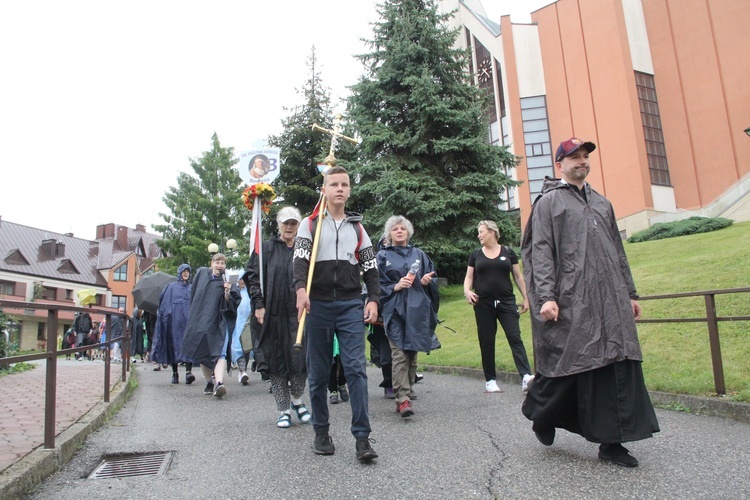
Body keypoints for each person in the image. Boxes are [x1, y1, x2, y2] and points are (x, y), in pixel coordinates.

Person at [521, 137, 660, 468]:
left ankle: (612, 444)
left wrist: (629, 294)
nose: (581, 161)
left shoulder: (602, 203)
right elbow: (539, 252)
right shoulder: (549, 203)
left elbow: (617, 251)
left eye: (585, 157)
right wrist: (546, 297)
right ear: (560, 165)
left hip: (610, 302)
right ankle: (541, 414)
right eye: (574, 157)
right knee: (567, 366)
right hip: (570, 301)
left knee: (615, 365)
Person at [294, 165, 380, 461]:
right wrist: (300, 290)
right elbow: (300, 262)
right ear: (325, 190)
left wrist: (373, 299)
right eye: (334, 185)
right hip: (316, 305)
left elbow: (370, 266)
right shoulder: (310, 225)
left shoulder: (358, 227)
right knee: (317, 373)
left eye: (344, 184)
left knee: (356, 369)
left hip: (349, 304)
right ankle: (321, 432)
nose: (340, 189)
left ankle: (362, 438)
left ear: (349, 190)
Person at [245, 206, 312, 428]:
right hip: (272, 315)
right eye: (286, 223)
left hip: (299, 315)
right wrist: (258, 305)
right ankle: (283, 409)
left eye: (294, 223)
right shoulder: (266, 249)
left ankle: (297, 400)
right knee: (276, 361)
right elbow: (253, 277)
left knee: (299, 359)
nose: (290, 227)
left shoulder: (305, 249)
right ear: (279, 225)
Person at [377, 215, 438, 418]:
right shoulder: (383, 256)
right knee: (399, 353)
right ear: (389, 233)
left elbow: (431, 277)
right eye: (395, 229)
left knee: (412, 352)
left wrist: (426, 280)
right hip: (394, 310)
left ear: (408, 232)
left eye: (402, 228)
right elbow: (375, 284)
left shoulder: (419, 254)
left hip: (417, 308)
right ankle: (402, 399)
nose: (399, 231)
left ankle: (408, 388)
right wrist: (395, 286)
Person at [463, 220, 534, 393]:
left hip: (507, 302)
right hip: (484, 304)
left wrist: (526, 298)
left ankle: (526, 377)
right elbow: (469, 277)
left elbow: (518, 276)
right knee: (487, 341)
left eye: (481, 231)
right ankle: (490, 380)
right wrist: (467, 291)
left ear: (492, 232)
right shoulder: (476, 254)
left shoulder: (508, 252)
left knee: (514, 337)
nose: (479, 235)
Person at [182, 253, 241, 398]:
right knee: (203, 350)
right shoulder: (202, 275)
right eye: (217, 262)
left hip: (220, 321)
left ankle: (219, 383)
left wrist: (227, 291)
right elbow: (195, 296)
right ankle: (209, 381)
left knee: (220, 350)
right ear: (212, 263)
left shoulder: (227, 280)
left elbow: (232, 303)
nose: (220, 265)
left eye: (222, 263)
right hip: (202, 320)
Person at [151, 264, 195, 384]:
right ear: (179, 272)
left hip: (188, 323)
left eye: (187, 271)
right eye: (183, 271)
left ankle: (188, 373)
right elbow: (164, 306)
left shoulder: (192, 288)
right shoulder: (170, 288)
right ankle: (175, 373)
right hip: (174, 324)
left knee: (188, 347)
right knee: (173, 347)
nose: (185, 273)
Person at [230, 277, 252, 386]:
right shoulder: (234, 293)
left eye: (244, 279)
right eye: (240, 279)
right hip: (237, 326)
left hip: (249, 325)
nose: (242, 281)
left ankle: (244, 371)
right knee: (239, 348)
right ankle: (243, 372)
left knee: (247, 348)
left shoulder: (251, 292)